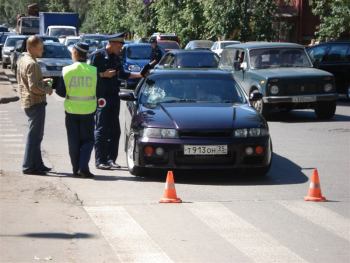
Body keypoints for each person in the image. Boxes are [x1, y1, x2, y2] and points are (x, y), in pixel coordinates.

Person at [89, 33, 141, 170]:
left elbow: (122, 74)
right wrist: (102, 74)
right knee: (101, 129)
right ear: (111, 43)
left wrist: (140, 75)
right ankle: (100, 160)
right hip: (102, 97)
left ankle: (111, 159)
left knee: (115, 130)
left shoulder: (116, 57)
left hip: (114, 96)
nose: (121, 48)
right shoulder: (98, 56)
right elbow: (89, 74)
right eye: (119, 45)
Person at [56, 42, 97, 178]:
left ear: (75, 53)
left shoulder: (66, 70)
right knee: (88, 141)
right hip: (88, 111)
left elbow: (61, 92)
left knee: (73, 142)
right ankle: (83, 168)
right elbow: (99, 90)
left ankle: (76, 169)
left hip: (71, 111)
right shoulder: (93, 70)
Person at [17, 36, 53, 175]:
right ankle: (28, 165)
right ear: (31, 48)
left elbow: (29, 82)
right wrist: (47, 89)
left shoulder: (22, 60)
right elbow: (33, 88)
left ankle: (38, 164)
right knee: (34, 136)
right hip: (35, 102)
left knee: (36, 135)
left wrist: (43, 81)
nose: (42, 50)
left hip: (28, 101)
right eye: (40, 47)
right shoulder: (32, 63)